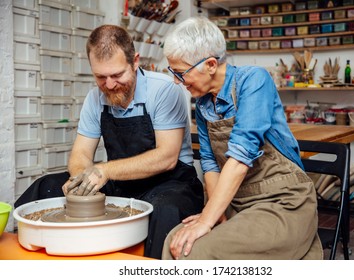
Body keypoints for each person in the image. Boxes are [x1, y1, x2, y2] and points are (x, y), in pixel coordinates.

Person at [14, 24, 204, 259]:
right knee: (46, 187)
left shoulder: (164, 90)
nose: (110, 84)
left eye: (117, 75)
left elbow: (166, 157)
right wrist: (80, 179)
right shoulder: (95, 98)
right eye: (100, 77)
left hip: (171, 182)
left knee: (165, 209)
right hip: (121, 181)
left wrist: (102, 170)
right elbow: (80, 154)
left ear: (135, 61)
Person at [161, 16, 323, 260]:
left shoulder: (254, 80)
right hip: (238, 200)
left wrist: (206, 220)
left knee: (193, 252)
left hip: (282, 201)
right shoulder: (205, 102)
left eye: (180, 73)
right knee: (175, 241)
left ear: (211, 65)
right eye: (173, 72)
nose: (176, 80)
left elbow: (240, 157)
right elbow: (210, 162)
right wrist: (216, 212)